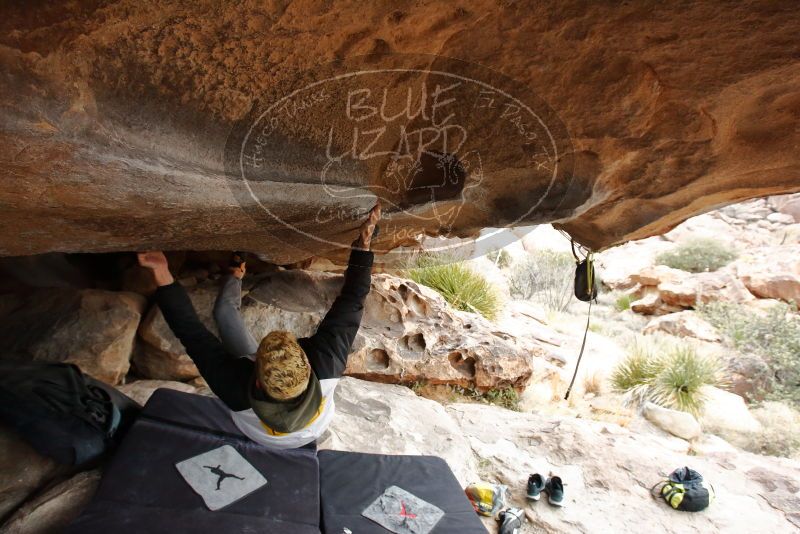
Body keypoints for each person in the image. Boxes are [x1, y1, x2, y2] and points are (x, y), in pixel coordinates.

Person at [137, 203, 381, 449]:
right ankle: (235, 274)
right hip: (310, 425)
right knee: (223, 313)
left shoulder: (234, 387)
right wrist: (364, 243)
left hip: (258, 433)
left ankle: (234, 276)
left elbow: (191, 332)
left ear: (254, 376)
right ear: (307, 366)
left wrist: (162, 272)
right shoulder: (325, 364)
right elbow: (352, 300)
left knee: (223, 314)